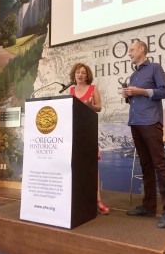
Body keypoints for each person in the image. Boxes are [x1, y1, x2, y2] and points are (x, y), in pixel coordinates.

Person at [122, 40, 165, 229]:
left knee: (159, 165)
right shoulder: (133, 74)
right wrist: (129, 96)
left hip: (151, 122)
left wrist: (141, 91)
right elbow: (137, 100)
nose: (129, 53)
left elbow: (164, 91)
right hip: (135, 122)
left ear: (141, 49)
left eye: (131, 50)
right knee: (145, 165)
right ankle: (149, 207)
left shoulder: (154, 67)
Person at [69, 62, 110, 215]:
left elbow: (99, 107)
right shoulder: (71, 90)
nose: (80, 75)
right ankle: (79, 199)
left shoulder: (93, 89)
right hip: (74, 132)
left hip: (89, 130)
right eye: (78, 72)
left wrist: (89, 105)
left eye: (83, 72)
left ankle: (98, 200)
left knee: (93, 166)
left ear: (87, 75)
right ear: (74, 75)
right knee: (76, 166)